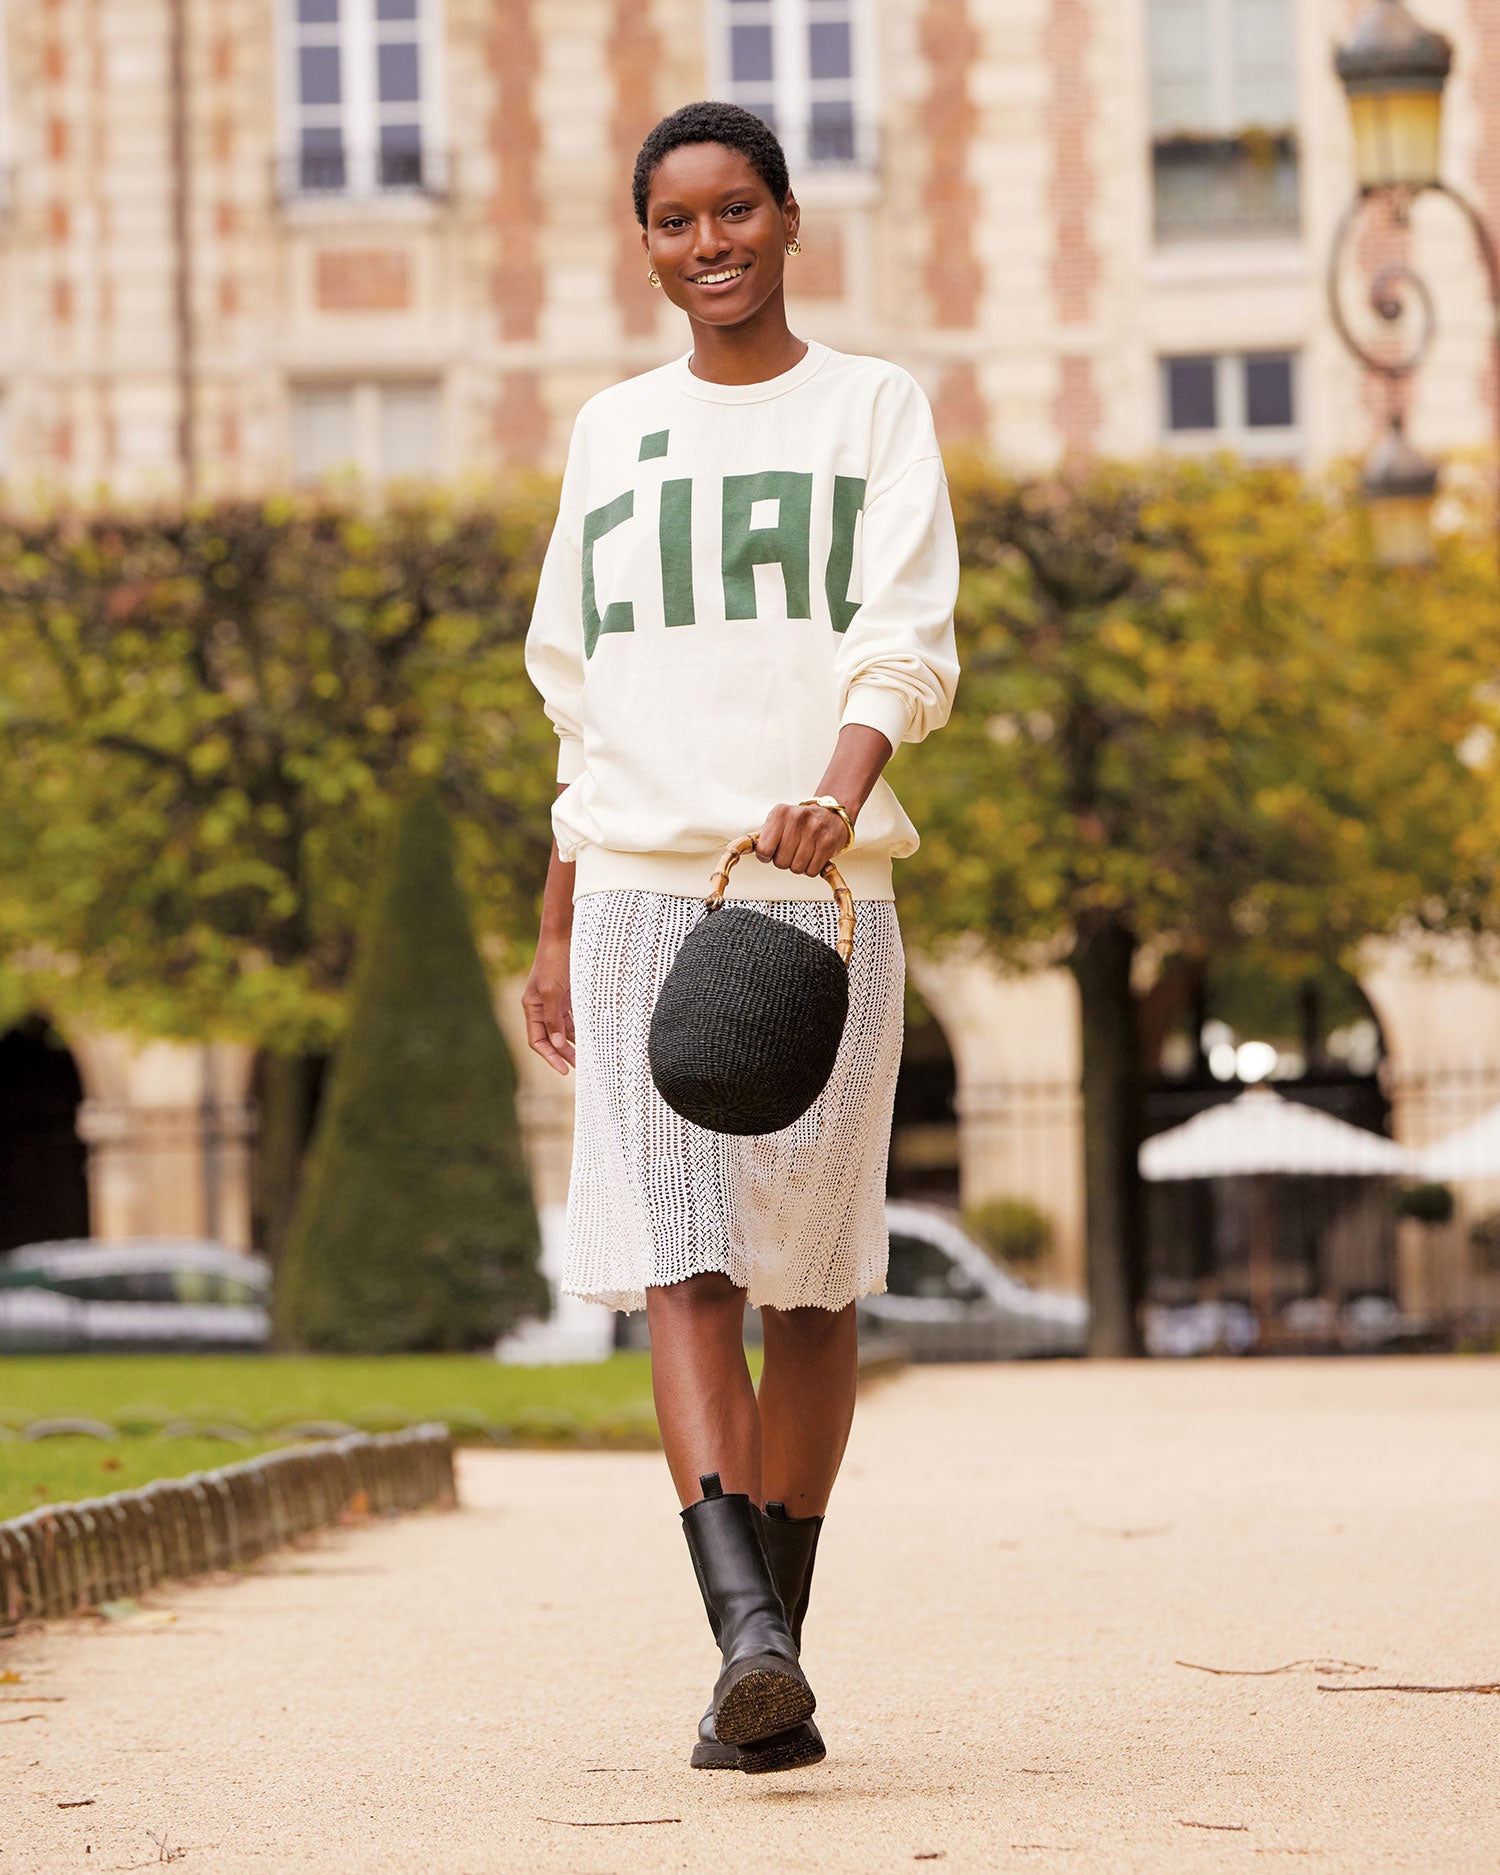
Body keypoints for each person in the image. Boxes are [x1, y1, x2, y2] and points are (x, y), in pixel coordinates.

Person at [523, 99, 959, 1774]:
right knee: (680, 1258)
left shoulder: (871, 408)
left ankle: (766, 1651)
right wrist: (558, 921)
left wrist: (837, 796)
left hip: (819, 895)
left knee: (818, 1280)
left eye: (736, 212)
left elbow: (903, 640)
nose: (708, 244)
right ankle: (750, 1638)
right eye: (675, 221)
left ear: (789, 221)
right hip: (642, 889)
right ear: (644, 244)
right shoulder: (611, 432)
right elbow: (580, 701)